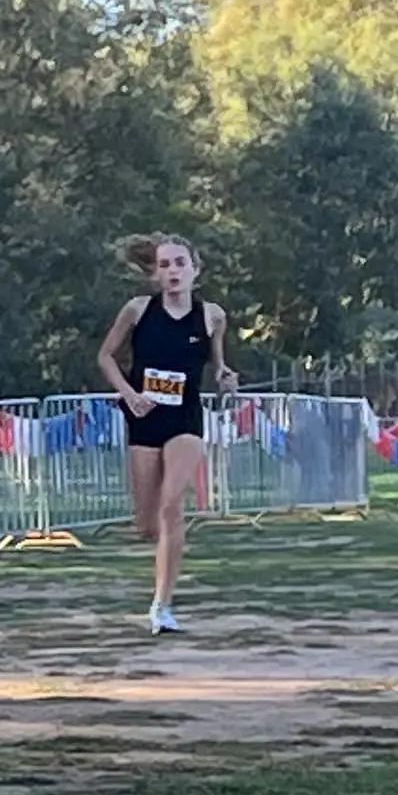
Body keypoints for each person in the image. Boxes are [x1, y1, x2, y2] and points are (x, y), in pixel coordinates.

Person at [93, 234, 237, 634]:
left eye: (179, 263)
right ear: (155, 273)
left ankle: (162, 605)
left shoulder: (213, 316)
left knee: (173, 505)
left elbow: (218, 364)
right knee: (148, 524)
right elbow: (105, 356)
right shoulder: (138, 310)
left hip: (185, 421)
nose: (173, 271)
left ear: (195, 269)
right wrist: (130, 395)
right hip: (144, 418)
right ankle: (162, 548)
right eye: (165, 265)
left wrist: (226, 377)